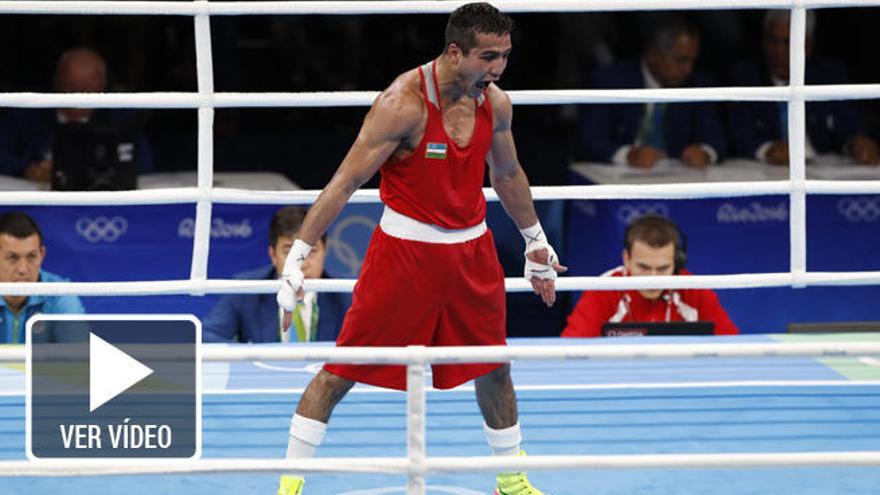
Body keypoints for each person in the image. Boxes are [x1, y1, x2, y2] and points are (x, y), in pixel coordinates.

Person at [274, 4, 565, 494]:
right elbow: (345, 181)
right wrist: (298, 256)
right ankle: (287, 485)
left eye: (505, 57)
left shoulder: (494, 104)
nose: (496, 69)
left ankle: (512, 482)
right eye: (487, 57)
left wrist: (535, 240)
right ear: (454, 52)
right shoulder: (401, 104)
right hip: (405, 256)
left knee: (493, 368)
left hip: (472, 254)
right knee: (341, 372)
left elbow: (508, 174)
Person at [725, 10, 879, 166]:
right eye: (773, 41)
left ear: (808, 45)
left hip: (823, 172)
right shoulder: (745, 77)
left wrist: (857, 144)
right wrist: (768, 150)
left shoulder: (829, 76)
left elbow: (849, 124)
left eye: (788, 43)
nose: (779, 51)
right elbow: (738, 135)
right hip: (764, 172)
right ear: (763, 42)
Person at [578, 13, 726, 169]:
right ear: (653, 54)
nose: (688, 69)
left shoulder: (697, 84)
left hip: (676, 178)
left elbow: (717, 139)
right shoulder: (610, 82)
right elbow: (587, 142)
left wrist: (706, 152)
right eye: (680, 60)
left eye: (692, 61)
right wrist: (627, 155)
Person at [562, 214, 738, 337]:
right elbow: (571, 353)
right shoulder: (603, 291)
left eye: (662, 268)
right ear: (626, 259)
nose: (653, 278)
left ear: (676, 262)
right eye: (643, 267)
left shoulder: (693, 290)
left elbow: (732, 347)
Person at [0, 47, 153, 182]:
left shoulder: (120, 119)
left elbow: (144, 165)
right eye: (71, 89)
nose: (78, 98)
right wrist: (27, 169)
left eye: (87, 91)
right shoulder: (26, 113)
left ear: (102, 86)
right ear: (57, 83)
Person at [201, 206, 350, 343]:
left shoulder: (347, 293)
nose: (303, 264)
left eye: (312, 251)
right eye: (289, 252)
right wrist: (249, 357)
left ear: (325, 251)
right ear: (273, 255)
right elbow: (207, 336)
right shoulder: (246, 289)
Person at [0, 211, 85, 343]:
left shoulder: (60, 295)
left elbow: (76, 358)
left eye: (31, 257)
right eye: (12, 258)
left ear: (42, 254)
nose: (23, 269)